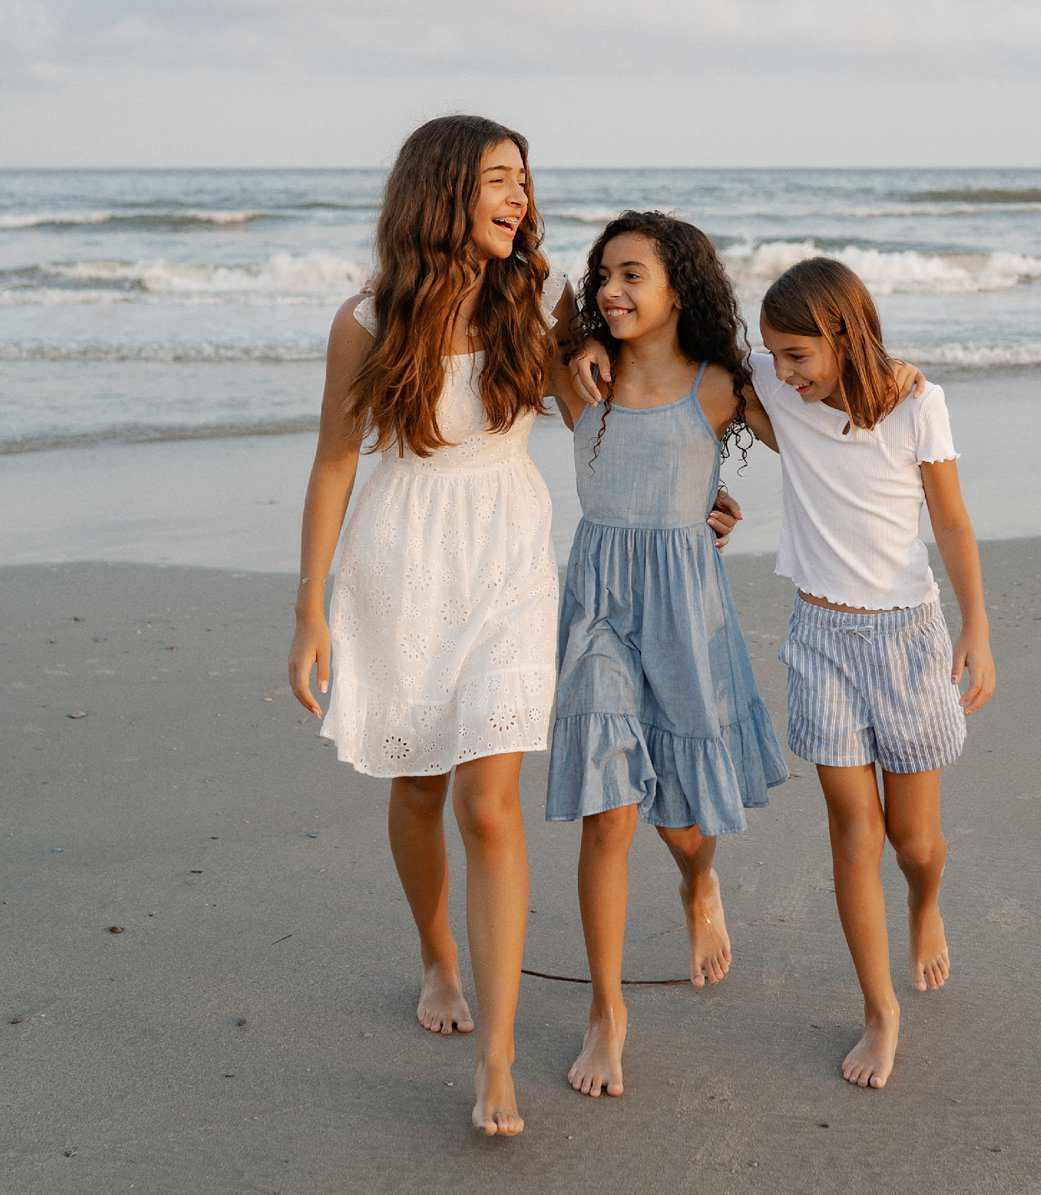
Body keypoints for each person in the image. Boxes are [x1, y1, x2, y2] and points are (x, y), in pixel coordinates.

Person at [287, 114, 566, 1138]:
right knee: (418, 780)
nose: (521, 197)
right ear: (446, 191)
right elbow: (332, 463)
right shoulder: (367, 319)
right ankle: (438, 954)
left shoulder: (539, 300)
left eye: (525, 181)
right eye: (500, 178)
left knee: (490, 803)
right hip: (401, 562)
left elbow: (601, 412)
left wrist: (698, 485)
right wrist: (308, 607)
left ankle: (495, 1057)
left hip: (508, 561)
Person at [544, 212, 788, 1099]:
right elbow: (521, 280)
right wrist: (567, 335)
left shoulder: (720, 386)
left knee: (679, 819)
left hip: (686, 608)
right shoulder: (579, 381)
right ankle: (607, 1012)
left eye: (633, 274)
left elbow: (822, 422)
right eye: (602, 273)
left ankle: (698, 884)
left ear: (679, 287)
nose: (611, 289)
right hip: (599, 604)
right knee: (608, 811)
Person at [752, 255, 995, 1091]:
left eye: (798, 356)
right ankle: (878, 1008)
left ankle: (923, 904)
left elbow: (952, 522)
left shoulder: (917, 406)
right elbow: (689, 346)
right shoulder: (776, 382)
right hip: (818, 636)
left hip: (908, 640)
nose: (784, 374)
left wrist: (978, 629)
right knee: (853, 829)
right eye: (773, 357)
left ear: (844, 334)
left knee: (912, 841)